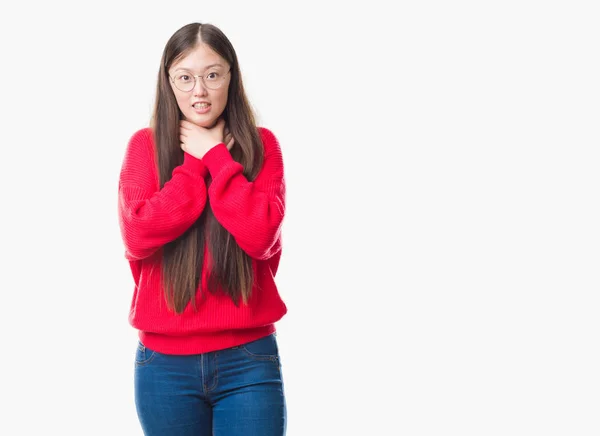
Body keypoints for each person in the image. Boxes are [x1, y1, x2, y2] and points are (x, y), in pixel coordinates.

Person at [117, 22, 288, 435]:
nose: (199, 90)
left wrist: (216, 156)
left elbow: (261, 235)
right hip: (164, 368)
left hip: (248, 360)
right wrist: (193, 165)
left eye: (212, 75)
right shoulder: (145, 146)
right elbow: (138, 236)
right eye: (185, 77)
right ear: (169, 82)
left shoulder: (262, 146)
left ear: (231, 77)